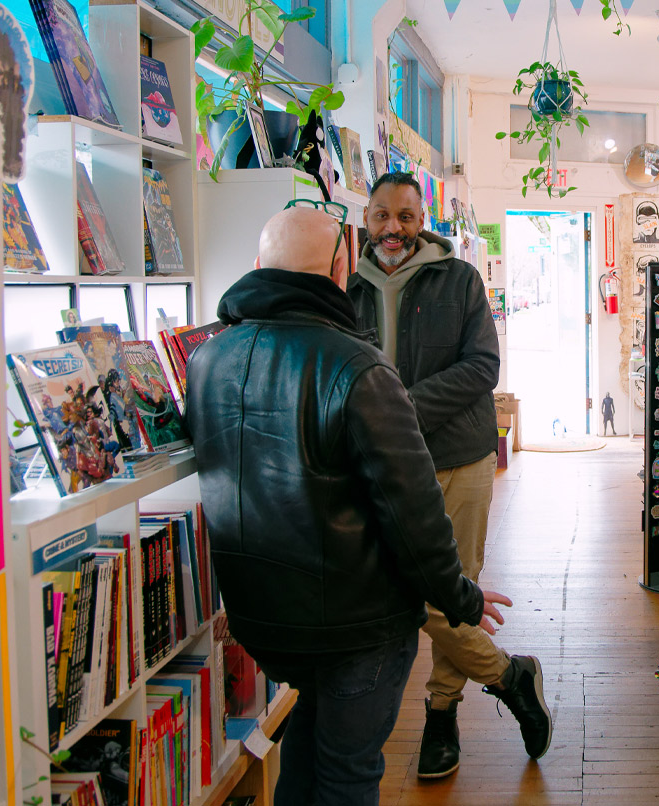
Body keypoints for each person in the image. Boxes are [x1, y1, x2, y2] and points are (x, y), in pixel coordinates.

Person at [186, 204, 513, 804]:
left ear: (257, 266)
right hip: (356, 624)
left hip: (262, 617)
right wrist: (460, 598)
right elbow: (412, 513)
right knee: (349, 775)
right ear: (342, 269)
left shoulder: (206, 360)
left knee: (308, 751)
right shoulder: (358, 367)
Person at [348, 172, 553, 780]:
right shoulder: (343, 288)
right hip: (380, 467)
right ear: (366, 218)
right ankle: (510, 677)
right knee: (418, 594)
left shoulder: (458, 278)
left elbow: (482, 365)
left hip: (460, 458)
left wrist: (399, 408)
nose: (394, 228)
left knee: (457, 583)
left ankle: (441, 712)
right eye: (382, 215)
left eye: (405, 216)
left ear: (421, 219)